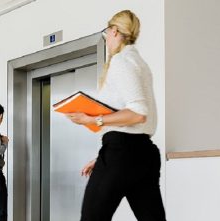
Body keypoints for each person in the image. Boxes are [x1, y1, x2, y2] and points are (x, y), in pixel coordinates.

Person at [65, 10, 167, 221]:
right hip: (141, 153)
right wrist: (102, 157)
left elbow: (139, 114)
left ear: (113, 31)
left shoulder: (121, 62)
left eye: (106, 33)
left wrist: (93, 120)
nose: (106, 39)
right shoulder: (140, 63)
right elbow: (135, 127)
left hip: (121, 152)